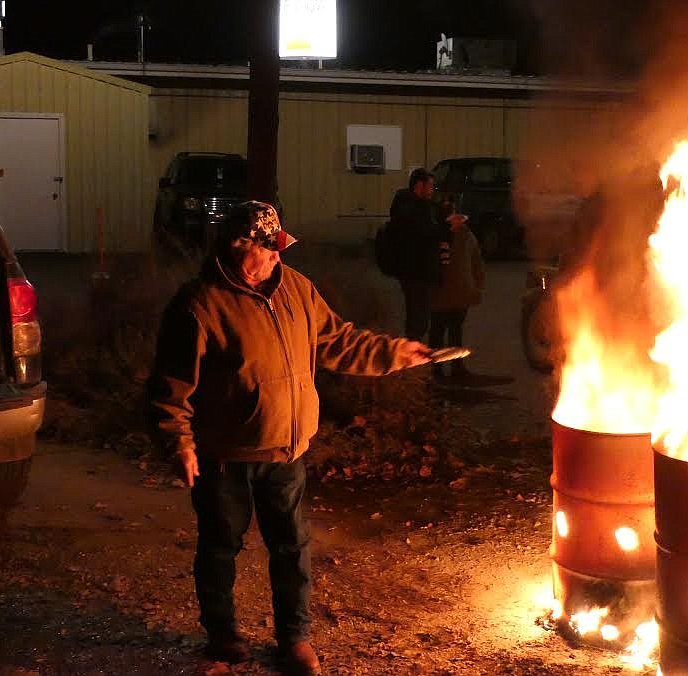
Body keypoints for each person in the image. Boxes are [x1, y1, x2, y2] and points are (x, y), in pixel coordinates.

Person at [146, 201, 431, 675]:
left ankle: (294, 640)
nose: (279, 256)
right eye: (270, 249)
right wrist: (179, 442)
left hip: (287, 449)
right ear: (241, 247)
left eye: (280, 248)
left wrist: (395, 353)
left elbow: (339, 341)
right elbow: (169, 386)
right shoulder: (199, 305)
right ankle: (222, 641)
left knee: (292, 549)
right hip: (225, 454)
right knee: (219, 549)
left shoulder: (297, 289)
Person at [388, 168, 454, 340]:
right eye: (430, 186)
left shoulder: (422, 207)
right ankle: (412, 353)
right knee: (418, 318)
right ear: (419, 185)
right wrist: (446, 226)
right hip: (416, 272)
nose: (432, 190)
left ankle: (414, 350)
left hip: (422, 271)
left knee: (420, 316)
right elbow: (424, 234)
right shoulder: (409, 208)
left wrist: (445, 217)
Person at [429, 212, 484, 380]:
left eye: (459, 218)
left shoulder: (468, 236)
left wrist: (477, 286)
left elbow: (476, 262)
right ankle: (436, 369)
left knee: (455, 331)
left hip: (460, 293)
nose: (457, 221)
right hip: (440, 294)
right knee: (438, 331)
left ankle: (456, 367)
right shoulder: (438, 236)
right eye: (454, 218)